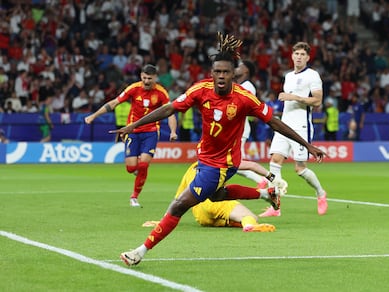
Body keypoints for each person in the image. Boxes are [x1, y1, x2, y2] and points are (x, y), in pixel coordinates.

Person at [113, 33, 325, 266]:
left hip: (222, 164)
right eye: (217, 72)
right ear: (212, 73)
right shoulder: (200, 90)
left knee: (178, 205)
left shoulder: (244, 99)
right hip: (205, 157)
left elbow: (274, 121)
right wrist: (133, 125)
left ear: (234, 74)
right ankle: (265, 193)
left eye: (226, 72)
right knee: (216, 195)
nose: (221, 76)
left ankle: (140, 252)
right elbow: (168, 109)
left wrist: (307, 145)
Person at [85, 64, 178, 207]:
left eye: (150, 78)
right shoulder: (134, 88)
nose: (147, 81)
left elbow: (169, 112)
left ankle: (134, 196)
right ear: (141, 76)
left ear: (155, 78)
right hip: (132, 130)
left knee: (143, 164)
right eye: (144, 78)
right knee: (131, 168)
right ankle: (137, 171)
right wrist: (94, 116)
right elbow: (114, 103)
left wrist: (173, 131)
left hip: (151, 131)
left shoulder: (161, 93)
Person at [266, 42, 328, 218]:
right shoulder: (288, 76)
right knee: (274, 162)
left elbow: (317, 101)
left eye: (302, 54)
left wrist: (294, 97)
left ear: (308, 57)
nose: (299, 57)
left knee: (299, 168)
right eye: (296, 54)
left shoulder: (313, 75)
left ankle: (320, 193)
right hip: (284, 125)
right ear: (292, 56)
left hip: (301, 126)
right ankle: (275, 207)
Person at [145, 161, 288, 232]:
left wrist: (162, 221)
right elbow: (252, 166)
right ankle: (250, 225)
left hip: (200, 215)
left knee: (227, 217)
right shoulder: (223, 160)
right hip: (217, 201)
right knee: (249, 217)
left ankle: (264, 196)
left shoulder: (193, 166)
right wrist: (272, 177)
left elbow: (178, 199)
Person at [234, 60, 268, 188]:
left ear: (246, 71)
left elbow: (245, 106)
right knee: (234, 163)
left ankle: (264, 180)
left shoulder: (248, 86)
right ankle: (262, 180)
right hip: (235, 128)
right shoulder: (240, 85)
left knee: (235, 164)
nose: (237, 68)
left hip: (240, 128)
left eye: (240, 67)